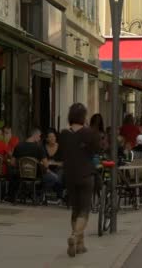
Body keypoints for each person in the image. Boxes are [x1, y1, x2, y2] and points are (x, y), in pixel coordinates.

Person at [60, 103, 100, 257]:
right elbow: (96, 150)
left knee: (75, 210)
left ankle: (80, 245)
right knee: (84, 210)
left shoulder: (63, 134)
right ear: (83, 116)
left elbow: (60, 154)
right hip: (86, 175)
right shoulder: (90, 133)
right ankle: (75, 236)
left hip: (70, 176)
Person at [11, 129, 60, 202]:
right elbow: (46, 165)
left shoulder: (18, 146)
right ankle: (38, 194)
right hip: (36, 175)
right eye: (39, 136)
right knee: (55, 178)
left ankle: (31, 193)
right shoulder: (39, 148)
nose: (40, 139)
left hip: (21, 174)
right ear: (35, 135)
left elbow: (12, 163)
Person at [43, 128, 64, 201]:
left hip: (58, 168)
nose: (52, 138)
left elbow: (64, 162)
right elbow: (40, 160)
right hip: (46, 168)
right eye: (50, 137)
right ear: (47, 139)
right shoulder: (43, 147)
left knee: (59, 175)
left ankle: (59, 197)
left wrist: (53, 163)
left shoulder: (61, 147)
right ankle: (44, 195)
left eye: (54, 136)